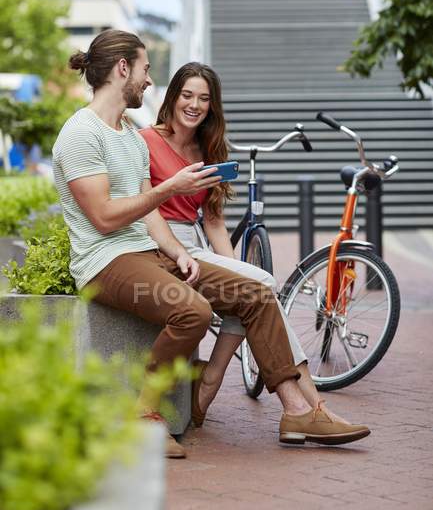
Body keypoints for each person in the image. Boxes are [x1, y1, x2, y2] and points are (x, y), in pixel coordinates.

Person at [52, 30, 370, 460]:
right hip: (105, 263)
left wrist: (178, 250)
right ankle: (144, 414)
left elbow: (148, 216)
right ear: (122, 68)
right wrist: (170, 191)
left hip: (149, 253)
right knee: (193, 311)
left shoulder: (127, 133)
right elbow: (105, 217)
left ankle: (298, 410)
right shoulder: (80, 133)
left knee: (255, 293)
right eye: (146, 69)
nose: (149, 81)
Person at [139, 61, 370, 433]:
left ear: (213, 106)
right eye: (187, 95)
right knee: (262, 285)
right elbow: (143, 205)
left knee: (253, 289)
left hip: (197, 244)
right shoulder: (145, 140)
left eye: (204, 99)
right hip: (162, 241)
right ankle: (306, 404)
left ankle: (223, 383)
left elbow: (212, 219)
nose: (194, 105)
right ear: (172, 97)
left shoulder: (207, 148)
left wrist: (232, 267)